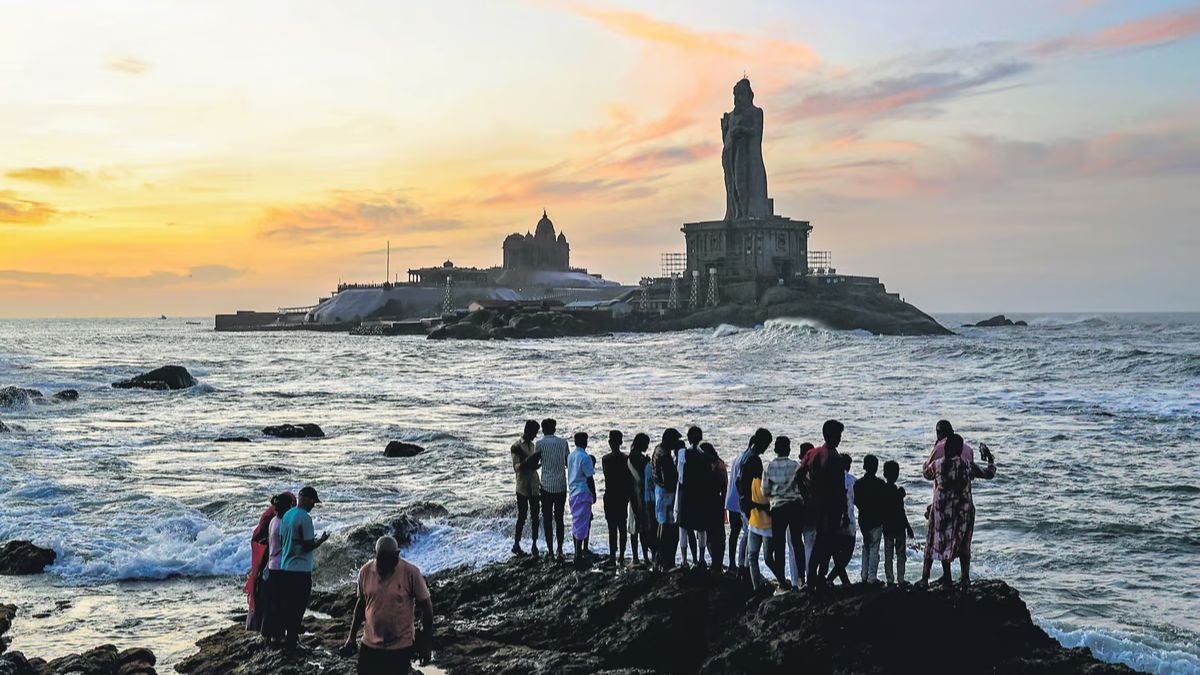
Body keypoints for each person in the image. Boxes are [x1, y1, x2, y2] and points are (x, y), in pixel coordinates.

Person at [341, 536, 433, 674]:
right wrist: (351, 637)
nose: (382, 565)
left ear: (396, 555)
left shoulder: (410, 573)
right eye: (380, 560)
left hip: (400, 647)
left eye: (387, 561)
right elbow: (361, 605)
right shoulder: (365, 572)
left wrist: (426, 644)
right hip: (370, 645)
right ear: (376, 555)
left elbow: (427, 608)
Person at [920, 434, 997, 588]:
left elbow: (926, 473)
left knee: (941, 541)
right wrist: (990, 459)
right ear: (960, 449)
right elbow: (988, 474)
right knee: (964, 544)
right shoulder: (966, 465)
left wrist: (934, 449)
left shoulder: (937, 464)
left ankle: (945, 578)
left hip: (942, 509)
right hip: (963, 510)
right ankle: (964, 578)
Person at [276, 486, 330, 648]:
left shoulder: (287, 515)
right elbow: (307, 545)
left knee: (287, 605)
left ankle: (287, 637)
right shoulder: (305, 518)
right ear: (305, 499)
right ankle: (292, 641)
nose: (314, 504)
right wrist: (321, 540)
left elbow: (282, 538)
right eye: (314, 501)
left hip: (285, 568)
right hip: (300, 570)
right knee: (298, 606)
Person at [799, 421, 847, 586]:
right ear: (833, 436)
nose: (840, 438)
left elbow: (798, 475)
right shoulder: (835, 457)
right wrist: (844, 513)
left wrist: (807, 494)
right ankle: (819, 578)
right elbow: (840, 489)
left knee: (820, 541)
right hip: (831, 507)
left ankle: (813, 578)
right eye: (839, 435)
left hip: (815, 504)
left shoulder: (813, 453)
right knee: (826, 543)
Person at [763, 436, 804, 590]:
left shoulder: (769, 467)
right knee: (797, 543)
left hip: (778, 509)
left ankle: (781, 580)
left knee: (779, 546)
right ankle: (801, 578)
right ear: (788, 449)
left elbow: (765, 490)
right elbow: (801, 486)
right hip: (794, 507)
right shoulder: (795, 466)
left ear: (775, 450)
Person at [737, 428, 773, 590]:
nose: (766, 448)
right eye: (766, 444)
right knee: (755, 549)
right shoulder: (754, 460)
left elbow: (739, 483)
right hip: (753, 508)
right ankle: (747, 575)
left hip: (745, 503)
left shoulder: (746, 455)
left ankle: (746, 574)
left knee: (748, 542)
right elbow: (756, 486)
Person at [259, 491, 295, 644]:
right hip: (282, 567)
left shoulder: (274, 521)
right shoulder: (284, 524)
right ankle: (277, 634)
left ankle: (267, 633)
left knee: (271, 602)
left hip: (272, 565)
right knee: (281, 603)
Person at [675, 426, 710, 569]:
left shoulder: (682, 454)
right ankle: (701, 559)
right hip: (700, 494)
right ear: (700, 438)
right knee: (701, 529)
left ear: (688, 438)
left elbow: (680, 475)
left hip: (685, 494)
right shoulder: (704, 455)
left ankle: (684, 560)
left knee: (683, 527)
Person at [536, 419, 570, 564]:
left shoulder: (539, 444)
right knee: (560, 518)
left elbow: (535, 462)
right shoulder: (563, 443)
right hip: (561, 485)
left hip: (546, 486)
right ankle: (560, 550)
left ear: (543, 430)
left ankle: (550, 551)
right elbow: (568, 463)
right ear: (555, 428)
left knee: (548, 520)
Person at [651, 428, 683, 570]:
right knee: (668, 527)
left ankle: (659, 559)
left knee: (661, 524)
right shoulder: (666, 456)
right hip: (667, 493)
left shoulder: (658, 449)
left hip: (659, 491)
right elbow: (669, 480)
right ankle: (666, 561)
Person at [854, 454, 887, 584]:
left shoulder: (858, 483)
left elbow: (857, 502)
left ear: (864, 466)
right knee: (874, 548)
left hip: (863, 520)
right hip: (876, 520)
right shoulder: (880, 483)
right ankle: (872, 577)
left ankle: (864, 575)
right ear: (876, 467)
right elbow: (884, 503)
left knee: (866, 547)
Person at [511, 420, 542, 557]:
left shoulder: (533, 446)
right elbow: (516, 468)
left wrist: (534, 463)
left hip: (534, 484)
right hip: (522, 486)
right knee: (522, 516)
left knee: (535, 517)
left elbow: (531, 465)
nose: (535, 436)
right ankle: (516, 544)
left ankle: (534, 545)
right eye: (534, 433)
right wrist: (528, 461)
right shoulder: (516, 446)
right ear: (528, 431)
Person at [245, 499, 277, 631]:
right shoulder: (273, 522)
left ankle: (255, 626)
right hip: (268, 566)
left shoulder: (267, 521)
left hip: (261, 566)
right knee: (267, 600)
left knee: (259, 597)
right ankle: (263, 629)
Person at [601, 430, 632, 566]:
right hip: (622, 496)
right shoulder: (626, 459)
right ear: (620, 442)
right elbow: (628, 479)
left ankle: (612, 556)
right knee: (622, 526)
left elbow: (607, 475)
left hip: (610, 495)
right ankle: (622, 556)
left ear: (609, 443)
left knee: (611, 527)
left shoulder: (605, 459)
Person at [881, 460, 915, 585]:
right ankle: (901, 579)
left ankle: (890, 579)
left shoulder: (883, 490)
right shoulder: (898, 492)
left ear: (885, 474)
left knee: (888, 555)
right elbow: (901, 511)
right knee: (901, 555)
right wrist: (908, 527)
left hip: (887, 527)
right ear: (897, 475)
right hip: (899, 527)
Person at [567, 432, 597, 568]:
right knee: (582, 523)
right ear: (584, 441)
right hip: (583, 492)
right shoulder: (585, 457)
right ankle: (579, 555)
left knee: (577, 522)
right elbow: (589, 478)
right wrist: (594, 493)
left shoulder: (571, 456)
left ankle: (577, 552)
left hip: (573, 492)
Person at [826, 453, 856, 586]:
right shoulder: (852, 481)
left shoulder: (829, 480)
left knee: (836, 554)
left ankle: (840, 580)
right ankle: (833, 579)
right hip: (849, 521)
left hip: (832, 521)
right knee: (847, 554)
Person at [701, 442, 728, 574]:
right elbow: (725, 486)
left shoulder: (707, 465)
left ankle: (715, 563)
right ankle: (718, 562)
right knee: (718, 534)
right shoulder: (720, 464)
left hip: (709, 503)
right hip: (719, 503)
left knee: (710, 535)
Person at [795, 442, 818, 577]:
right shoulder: (813, 469)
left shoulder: (794, 467)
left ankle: (796, 580)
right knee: (810, 544)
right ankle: (810, 576)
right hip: (811, 510)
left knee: (794, 547)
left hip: (795, 510)